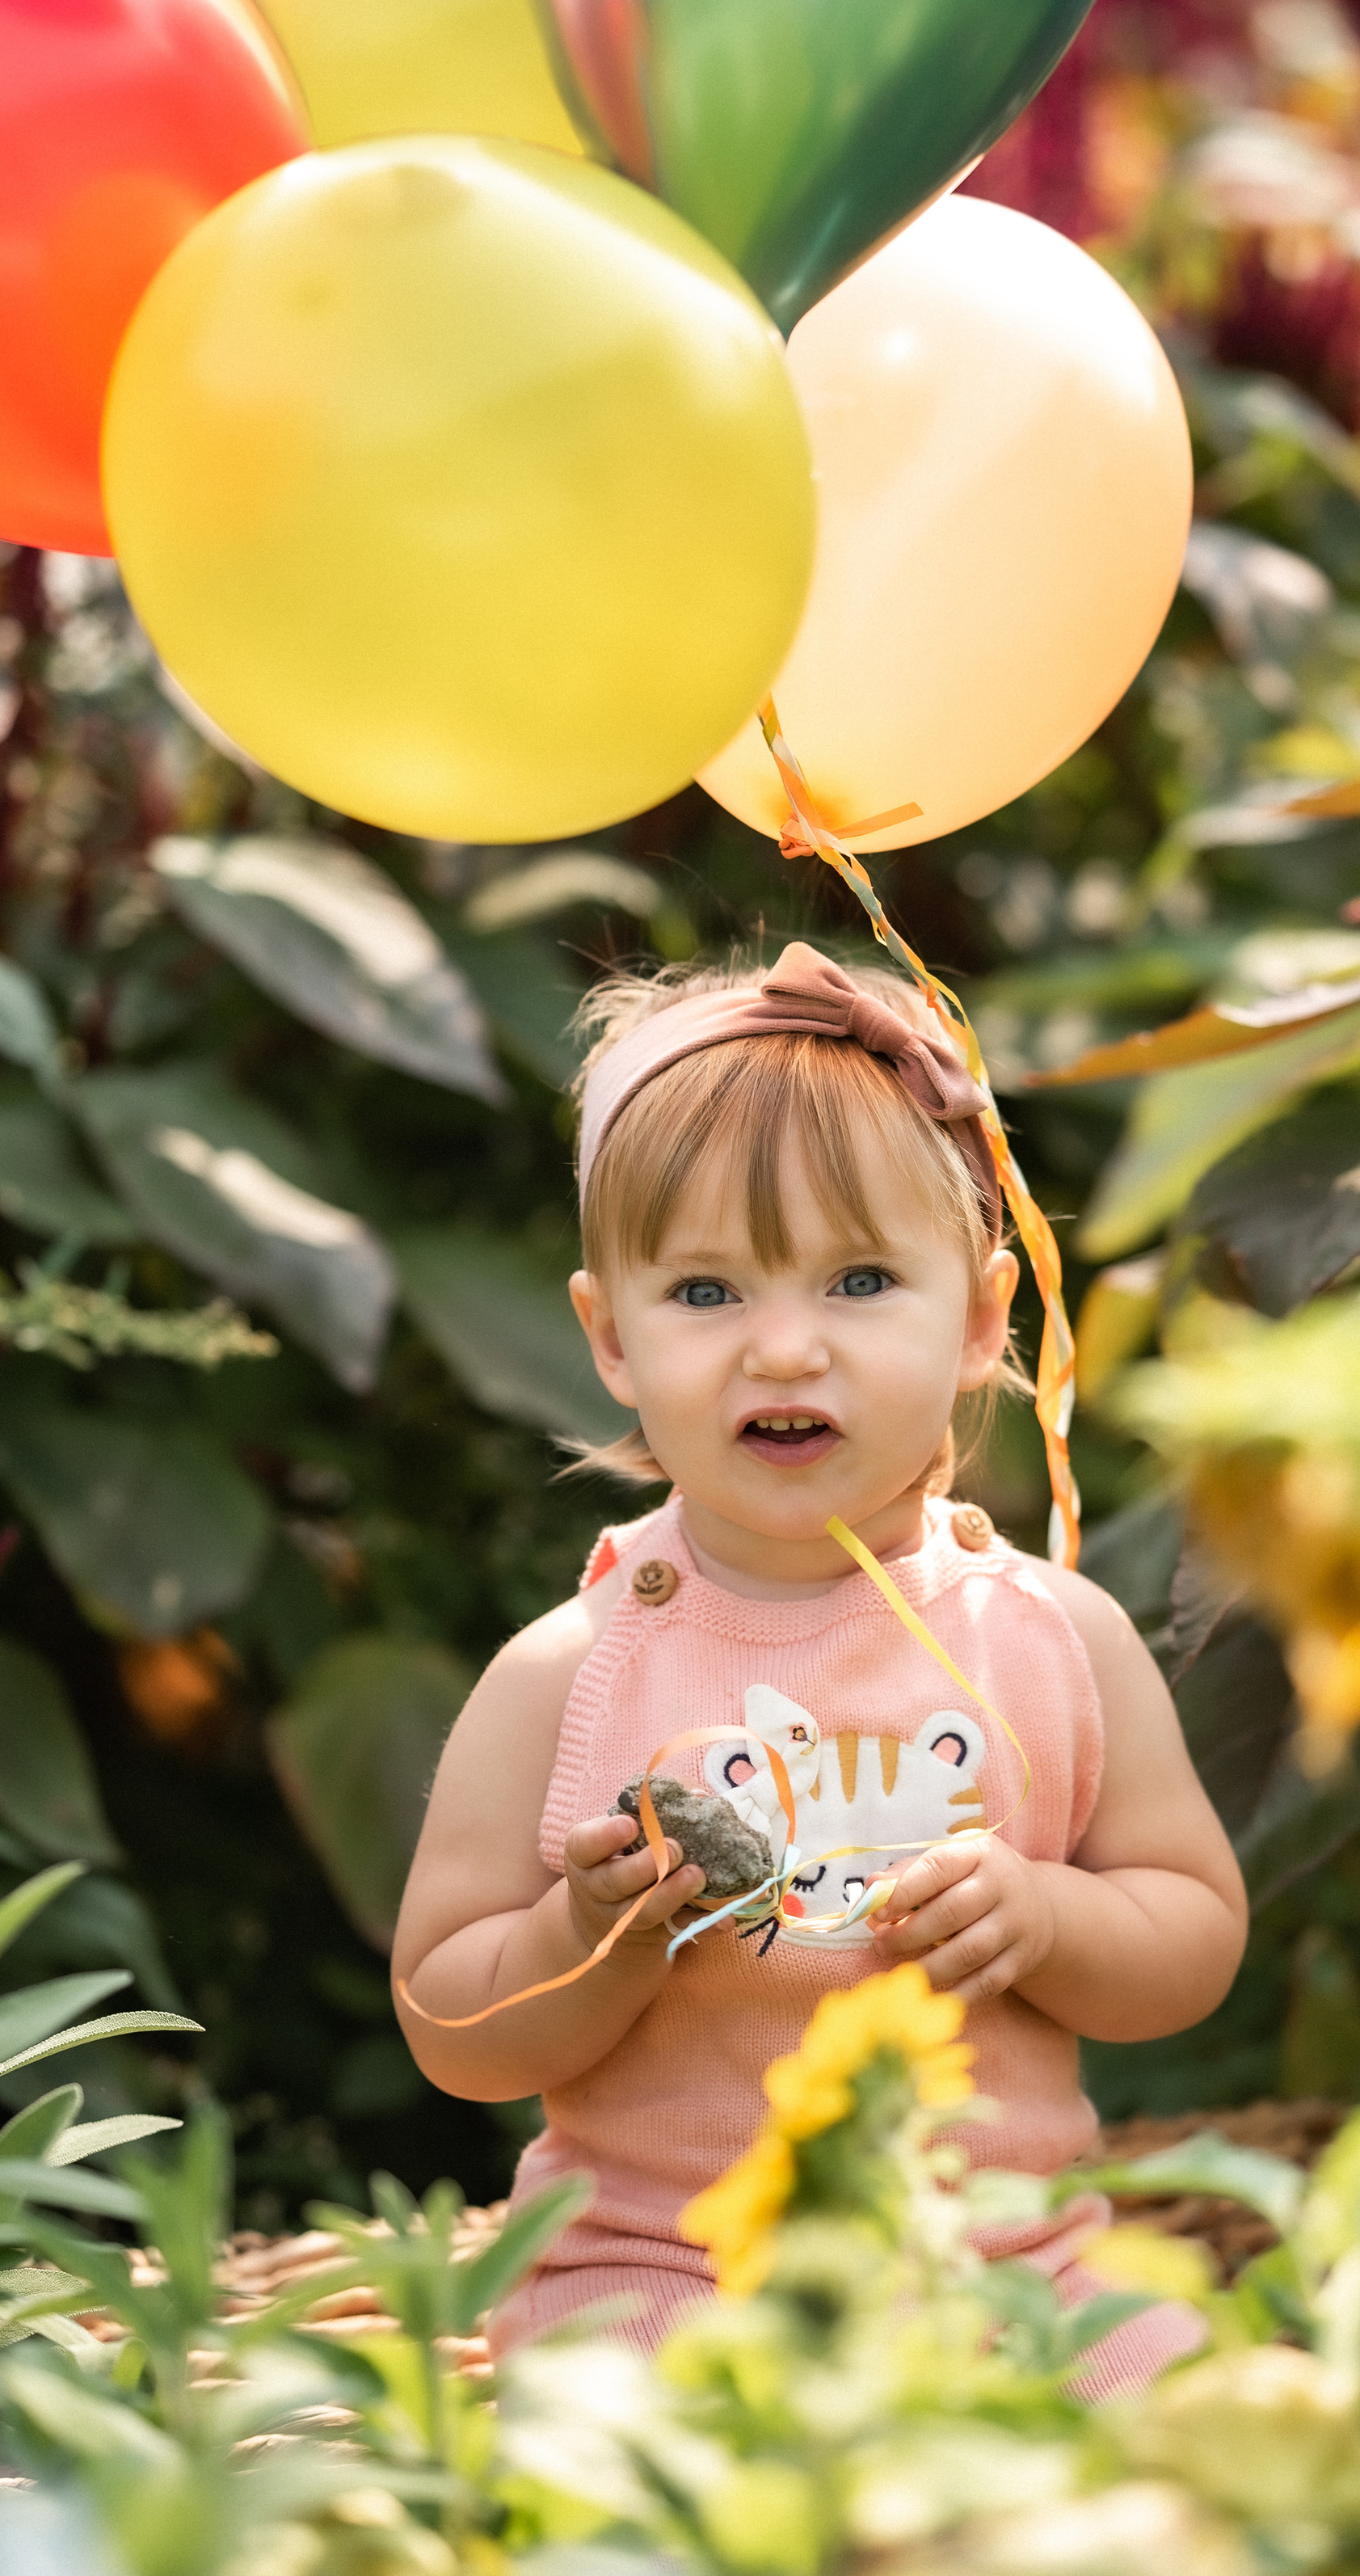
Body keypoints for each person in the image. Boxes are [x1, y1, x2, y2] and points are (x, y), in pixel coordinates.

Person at [391, 942, 1248, 2389]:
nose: (784, 1349)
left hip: (994, 2262)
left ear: (981, 1318)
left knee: (1191, 2419)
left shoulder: (1049, 1638)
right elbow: (450, 2022)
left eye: (858, 1280)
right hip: (669, 2267)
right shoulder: (574, 1669)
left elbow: (1193, 1938)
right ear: (611, 1336)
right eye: (707, 1293)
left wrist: (1043, 1915)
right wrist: (581, 1935)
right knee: (641, 2453)